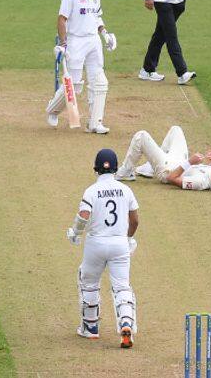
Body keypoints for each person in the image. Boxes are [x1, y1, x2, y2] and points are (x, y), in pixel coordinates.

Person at [67, 149, 140, 348]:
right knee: (122, 286)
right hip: (119, 244)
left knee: (88, 281)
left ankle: (90, 328)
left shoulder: (91, 190)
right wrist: (128, 238)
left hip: (96, 244)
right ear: (116, 168)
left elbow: (83, 215)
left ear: (96, 169)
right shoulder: (126, 190)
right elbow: (134, 220)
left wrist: (75, 233)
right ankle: (126, 323)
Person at [47, 0, 117, 134]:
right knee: (75, 85)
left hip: (93, 40)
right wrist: (63, 44)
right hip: (76, 41)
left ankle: (94, 123)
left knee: (100, 82)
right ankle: (53, 110)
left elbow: (97, 17)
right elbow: (62, 19)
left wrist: (105, 34)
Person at [115, 126, 211, 192]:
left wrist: (190, 162)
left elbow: (171, 178)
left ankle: (125, 172)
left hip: (167, 169)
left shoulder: (200, 182)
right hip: (178, 161)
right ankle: (149, 168)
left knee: (141, 136)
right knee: (176, 130)